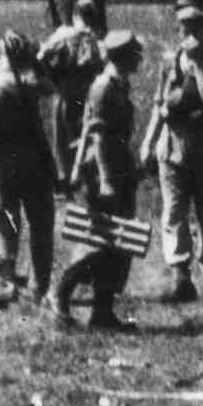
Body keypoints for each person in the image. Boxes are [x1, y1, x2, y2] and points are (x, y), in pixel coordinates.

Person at [0, 30, 60, 306]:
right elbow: (52, 86)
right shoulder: (33, 84)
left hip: (2, 164)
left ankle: (8, 281)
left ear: (2, 55)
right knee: (41, 225)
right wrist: (36, 62)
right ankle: (39, 286)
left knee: (4, 223)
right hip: (35, 163)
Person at [152, 2, 203, 298]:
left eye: (193, 31)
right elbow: (159, 103)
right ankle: (180, 275)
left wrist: (198, 62)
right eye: (183, 31)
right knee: (174, 210)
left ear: (202, 31)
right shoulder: (170, 60)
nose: (186, 36)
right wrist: (149, 141)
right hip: (172, 143)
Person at [65, 29, 144, 331]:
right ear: (122, 56)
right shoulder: (103, 87)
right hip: (102, 171)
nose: (139, 58)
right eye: (135, 53)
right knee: (98, 239)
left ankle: (102, 312)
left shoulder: (118, 84)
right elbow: (97, 135)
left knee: (117, 242)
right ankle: (60, 294)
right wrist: (108, 180)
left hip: (118, 167)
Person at [33, 0, 106, 179]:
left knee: (62, 139)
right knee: (84, 134)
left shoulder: (64, 35)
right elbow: (102, 66)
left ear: (75, 14)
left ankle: (65, 176)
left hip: (65, 92)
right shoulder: (97, 41)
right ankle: (85, 174)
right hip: (88, 93)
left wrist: (50, 77)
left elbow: (40, 57)